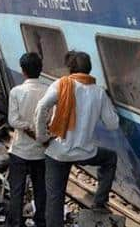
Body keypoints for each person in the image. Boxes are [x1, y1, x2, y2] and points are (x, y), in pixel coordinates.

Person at [35, 51, 119, 227]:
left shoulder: (61, 84)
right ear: (89, 69)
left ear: (70, 68)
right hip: (85, 152)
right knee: (110, 158)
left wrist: (42, 136)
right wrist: (108, 103)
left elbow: (41, 107)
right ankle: (99, 202)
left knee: (55, 199)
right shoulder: (99, 92)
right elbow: (113, 125)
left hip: (57, 152)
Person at [7, 52, 47, 227]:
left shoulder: (16, 92)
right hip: (41, 151)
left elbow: (13, 120)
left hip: (20, 150)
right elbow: (51, 121)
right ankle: (41, 221)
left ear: (22, 71)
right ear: (41, 69)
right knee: (41, 189)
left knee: (17, 190)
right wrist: (39, 134)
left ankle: (15, 223)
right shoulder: (48, 91)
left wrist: (28, 129)